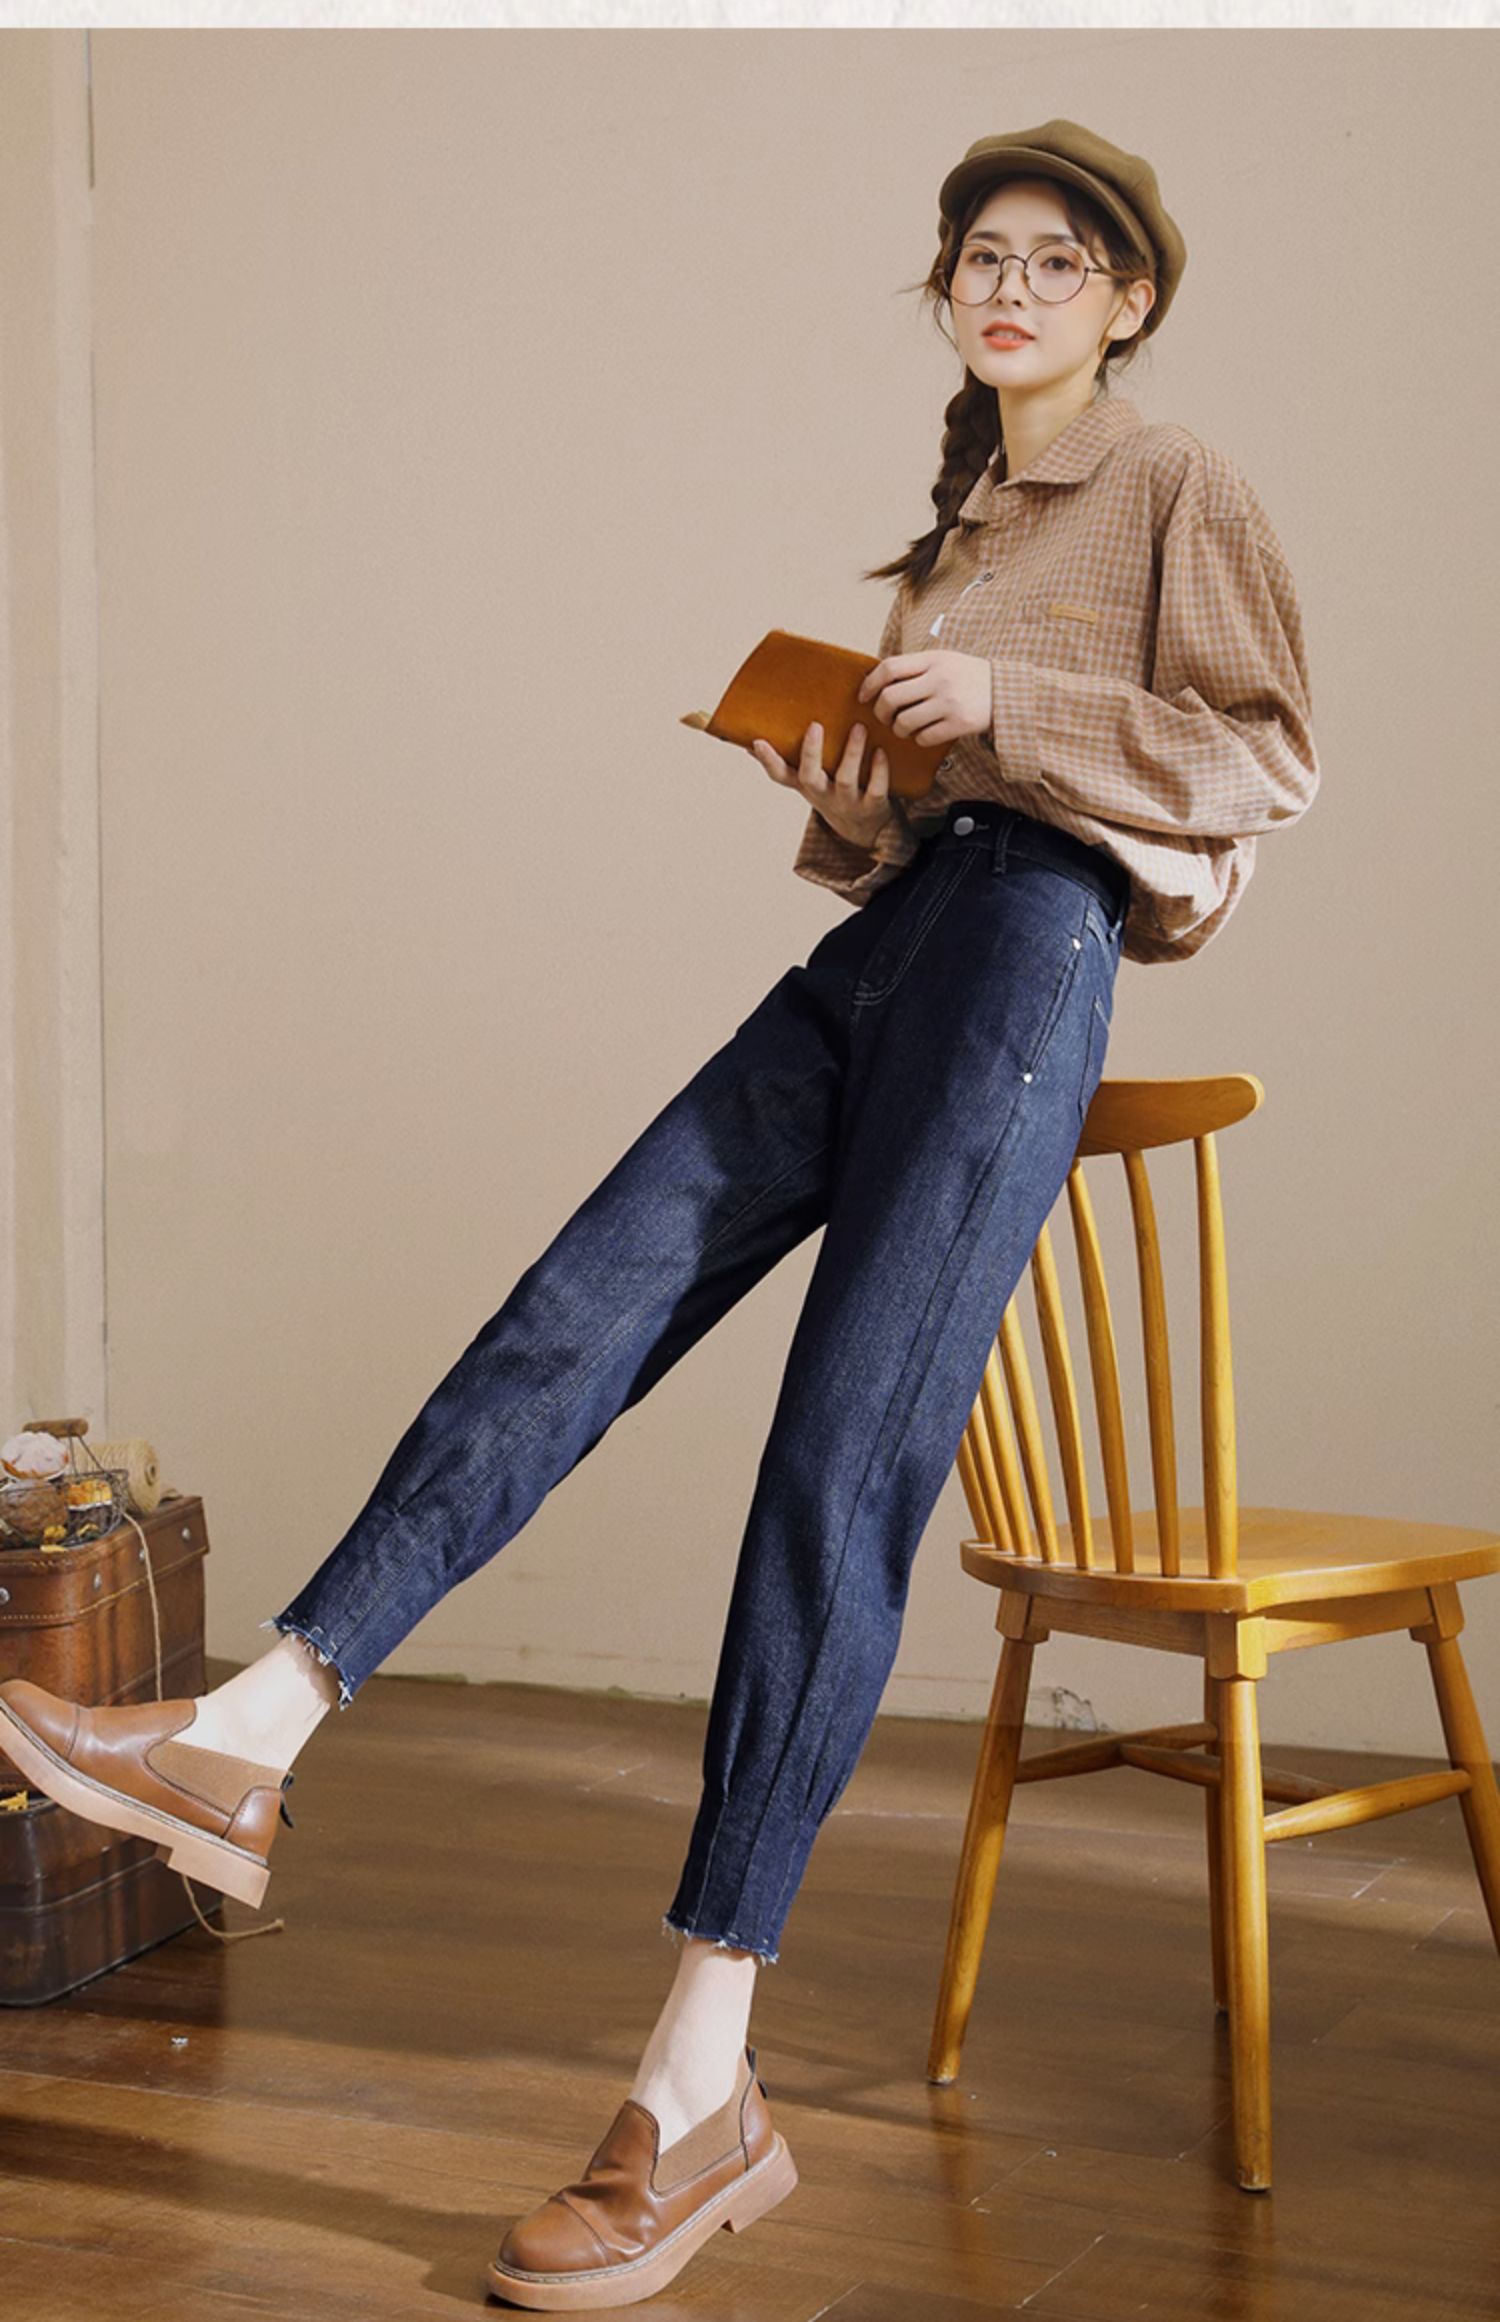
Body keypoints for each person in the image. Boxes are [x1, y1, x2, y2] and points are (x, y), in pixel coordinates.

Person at [0, 119, 1318, 2311]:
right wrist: (852, 795)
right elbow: (922, 817)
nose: (1009, 287)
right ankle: (247, 1736)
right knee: (581, 1300)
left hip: (1032, 958)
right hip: (897, 947)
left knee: (833, 1472)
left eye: (1056, 260)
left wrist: (1014, 703)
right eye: (980, 257)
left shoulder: (1178, 484)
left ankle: (701, 2080)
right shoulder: (956, 532)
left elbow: (1265, 757)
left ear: (1131, 298)